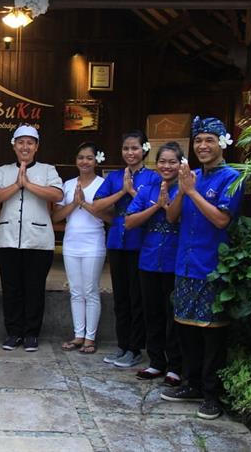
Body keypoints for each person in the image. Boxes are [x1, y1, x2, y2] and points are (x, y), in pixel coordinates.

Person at [160, 117, 243, 420]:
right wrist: (183, 190)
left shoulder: (232, 177)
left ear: (222, 143)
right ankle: (191, 384)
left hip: (212, 267)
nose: (203, 146)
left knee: (212, 334)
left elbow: (221, 220)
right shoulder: (191, 176)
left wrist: (192, 192)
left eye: (209, 140)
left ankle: (212, 395)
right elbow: (171, 217)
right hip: (185, 265)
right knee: (186, 329)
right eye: (198, 141)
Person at [90, 130, 159, 368]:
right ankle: (122, 345)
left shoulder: (153, 177)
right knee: (120, 297)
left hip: (141, 242)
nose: (130, 152)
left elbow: (156, 205)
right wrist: (121, 191)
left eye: (135, 148)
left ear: (144, 149)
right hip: (117, 242)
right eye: (126, 148)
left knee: (136, 297)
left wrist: (132, 193)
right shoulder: (114, 177)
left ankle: (135, 348)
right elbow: (97, 205)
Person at [0, 125, 63, 352]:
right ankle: (13, 333)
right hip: (8, 238)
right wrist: (17, 184)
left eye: (30, 143)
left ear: (37, 147)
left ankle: (31, 333)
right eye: (21, 142)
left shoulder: (47, 170)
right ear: (14, 146)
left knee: (34, 288)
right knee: (11, 288)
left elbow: (57, 194)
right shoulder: (3, 171)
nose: (25, 147)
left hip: (39, 239)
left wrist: (29, 185)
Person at [125, 142, 183, 386]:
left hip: (175, 262)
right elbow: (129, 221)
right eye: (162, 161)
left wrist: (168, 206)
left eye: (172, 162)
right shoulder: (148, 189)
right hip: (149, 261)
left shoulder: (186, 190)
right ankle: (156, 361)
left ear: (181, 164)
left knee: (173, 315)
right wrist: (156, 207)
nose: (166, 166)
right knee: (152, 313)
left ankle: (175, 366)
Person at [53, 142, 109, 355]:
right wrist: (75, 203)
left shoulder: (103, 184)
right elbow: (56, 217)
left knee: (90, 290)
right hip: (71, 243)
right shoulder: (68, 185)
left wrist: (85, 204)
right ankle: (78, 335)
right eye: (81, 157)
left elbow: (111, 217)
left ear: (96, 160)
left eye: (89, 158)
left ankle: (90, 338)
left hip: (93, 243)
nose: (84, 161)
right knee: (76, 291)